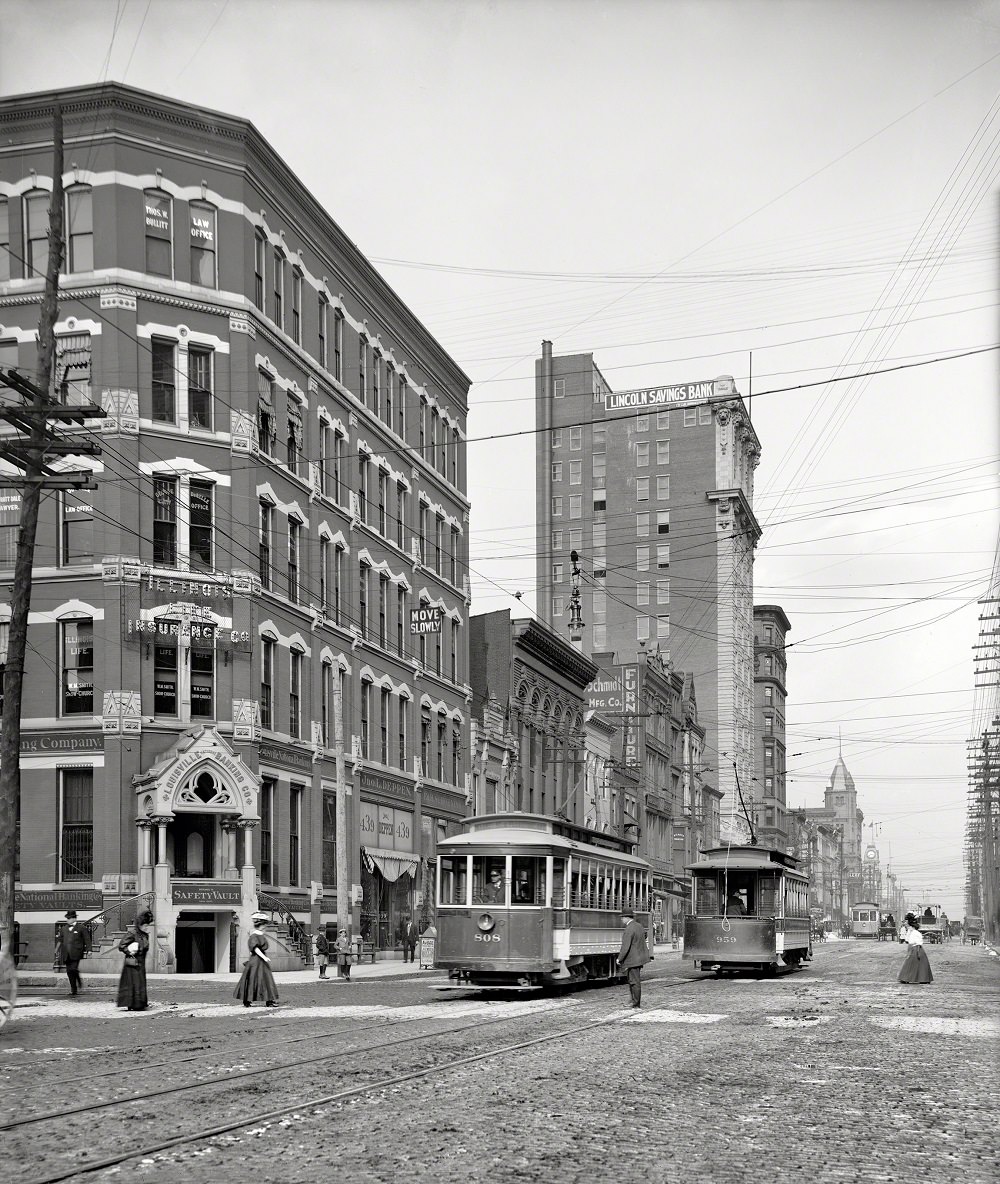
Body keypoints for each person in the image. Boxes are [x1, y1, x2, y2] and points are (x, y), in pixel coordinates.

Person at [234, 912, 279, 1007]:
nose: (265, 926)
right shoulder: (254, 935)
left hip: (257, 960)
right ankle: (249, 1000)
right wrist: (264, 957)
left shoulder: (260, 935)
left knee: (264, 979)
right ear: (261, 925)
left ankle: (268, 1000)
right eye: (264, 924)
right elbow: (255, 948)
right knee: (255, 978)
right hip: (257, 960)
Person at [117, 909, 153, 1011]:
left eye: (147, 925)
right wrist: (130, 951)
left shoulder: (145, 935)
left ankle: (140, 1003)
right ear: (140, 925)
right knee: (133, 983)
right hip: (132, 963)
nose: (147, 927)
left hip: (141, 963)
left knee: (140, 983)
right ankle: (132, 1004)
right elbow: (121, 946)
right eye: (145, 925)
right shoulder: (132, 933)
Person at [616, 907, 651, 1009]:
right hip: (639, 958)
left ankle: (636, 1004)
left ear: (626, 917)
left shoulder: (629, 929)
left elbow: (625, 946)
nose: (621, 919)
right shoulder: (638, 926)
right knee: (634, 981)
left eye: (622, 917)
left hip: (633, 959)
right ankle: (633, 1001)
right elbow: (644, 936)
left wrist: (619, 958)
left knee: (634, 982)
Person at [898, 913, 933, 985]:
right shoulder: (910, 931)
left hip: (916, 948)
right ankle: (917, 978)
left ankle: (907, 978)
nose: (905, 924)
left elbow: (916, 942)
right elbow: (907, 940)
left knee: (911, 963)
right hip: (913, 947)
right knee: (915, 963)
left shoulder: (915, 933)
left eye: (906, 922)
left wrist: (917, 951)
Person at [58, 909, 87, 996]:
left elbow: (87, 939)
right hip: (66, 954)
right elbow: (60, 940)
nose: (67, 920)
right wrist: (56, 950)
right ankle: (73, 990)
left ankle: (78, 979)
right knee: (69, 972)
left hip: (76, 953)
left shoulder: (81, 928)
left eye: (69, 918)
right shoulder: (64, 928)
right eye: (67, 918)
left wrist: (89, 950)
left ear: (74, 919)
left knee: (73, 969)